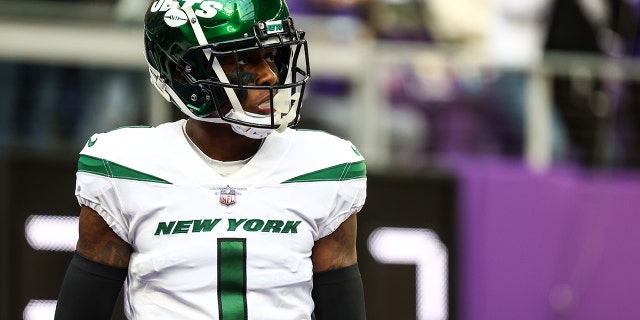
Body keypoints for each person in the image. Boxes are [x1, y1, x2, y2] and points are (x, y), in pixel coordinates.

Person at [53, 0, 367, 319]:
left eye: (271, 56)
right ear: (186, 74)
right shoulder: (123, 166)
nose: (270, 76)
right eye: (245, 59)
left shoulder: (326, 167)